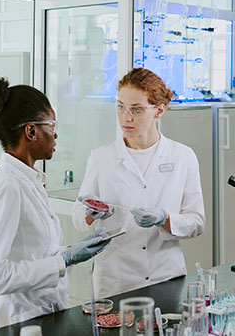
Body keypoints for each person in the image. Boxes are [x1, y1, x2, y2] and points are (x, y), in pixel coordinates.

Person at [0, 72, 111, 332]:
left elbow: (30, 250)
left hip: (40, 315)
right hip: (15, 321)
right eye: (52, 126)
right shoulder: (7, 187)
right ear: (31, 131)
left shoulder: (28, 180)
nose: (56, 135)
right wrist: (63, 260)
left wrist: (71, 253)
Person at [72, 67, 204, 297]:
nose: (126, 117)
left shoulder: (183, 156)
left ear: (159, 110)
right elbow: (78, 219)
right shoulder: (101, 158)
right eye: (121, 107)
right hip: (115, 280)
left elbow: (197, 222)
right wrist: (91, 212)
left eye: (136, 109)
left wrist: (166, 219)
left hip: (166, 276)